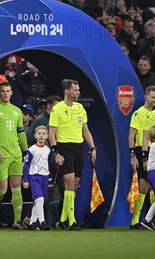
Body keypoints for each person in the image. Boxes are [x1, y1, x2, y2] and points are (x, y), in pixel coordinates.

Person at [49, 79, 97, 232]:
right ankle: (72, 221)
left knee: (75, 185)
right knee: (69, 182)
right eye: (76, 90)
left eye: (78, 89)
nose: (78, 92)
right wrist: (56, 152)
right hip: (64, 147)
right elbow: (51, 134)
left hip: (78, 148)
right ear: (67, 91)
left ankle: (63, 219)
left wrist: (93, 148)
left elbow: (85, 131)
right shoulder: (57, 109)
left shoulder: (80, 108)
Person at [0, 82, 28, 229]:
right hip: (1, 155)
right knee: (2, 190)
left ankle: (17, 222)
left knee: (16, 188)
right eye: (3, 91)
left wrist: (25, 150)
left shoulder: (17, 111)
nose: (5, 93)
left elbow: (20, 132)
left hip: (15, 154)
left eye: (8, 91)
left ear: (11, 93)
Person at [128, 85, 155, 229]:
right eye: (152, 97)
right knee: (143, 185)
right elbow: (131, 136)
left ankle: (154, 219)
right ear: (146, 96)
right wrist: (133, 155)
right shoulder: (138, 113)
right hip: (142, 151)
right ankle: (135, 221)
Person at [23, 125, 54, 231]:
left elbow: (50, 163)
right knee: (39, 199)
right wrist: (26, 179)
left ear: (47, 136)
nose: (41, 136)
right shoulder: (32, 150)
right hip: (34, 176)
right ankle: (42, 222)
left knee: (39, 201)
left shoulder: (48, 150)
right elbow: (26, 165)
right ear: (35, 135)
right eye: (39, 133)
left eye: (43, 134)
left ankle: (32, 222)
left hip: (45, 177)